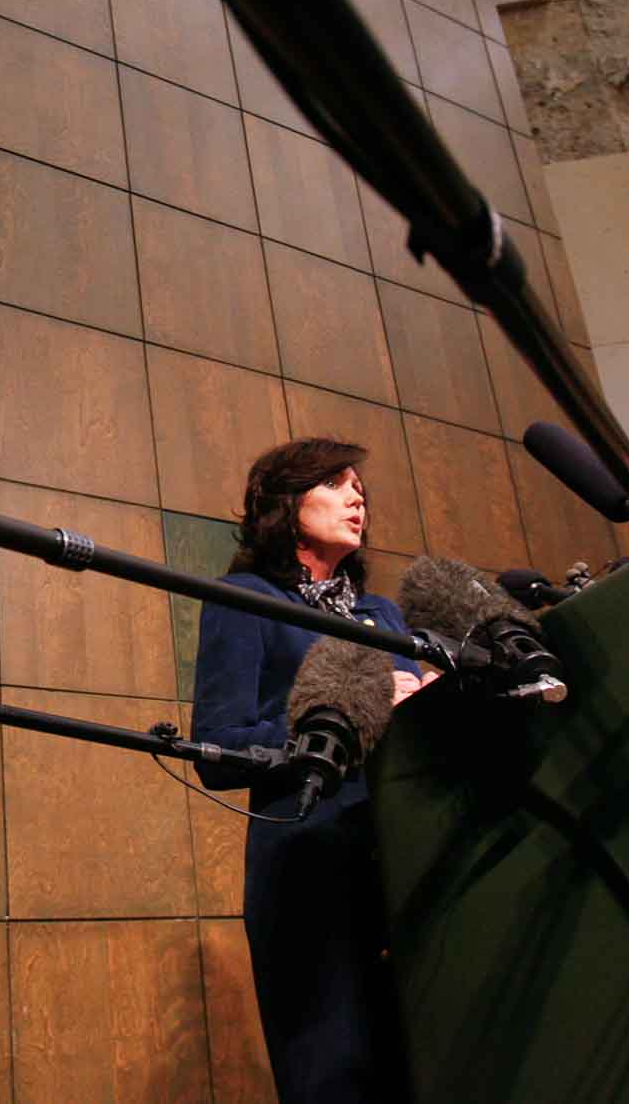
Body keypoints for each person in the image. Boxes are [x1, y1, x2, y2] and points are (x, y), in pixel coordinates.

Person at [192, 438, 428, 1103]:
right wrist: (344, 716)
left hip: (404, 858)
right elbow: (219, 746)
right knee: (337, 1075)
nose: (359, 497)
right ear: (287, 504)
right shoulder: (245, 598)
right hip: (310, 866)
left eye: (361, 487)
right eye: (337, 484)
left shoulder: (383, 614)